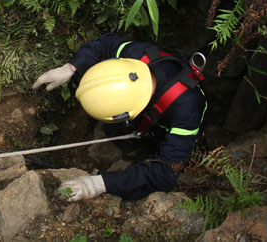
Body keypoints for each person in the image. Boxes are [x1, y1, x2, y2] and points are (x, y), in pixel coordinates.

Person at [32, 33, 207, 201]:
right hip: (149, 116)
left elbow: (166, 173)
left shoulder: (188, 108)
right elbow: (105, 44)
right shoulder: (137, 56)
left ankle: (140, 152)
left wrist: (99, 184)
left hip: (169, 128)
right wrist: (71, 67)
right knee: (113, 130)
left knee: (152, 147)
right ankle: (131, 149)